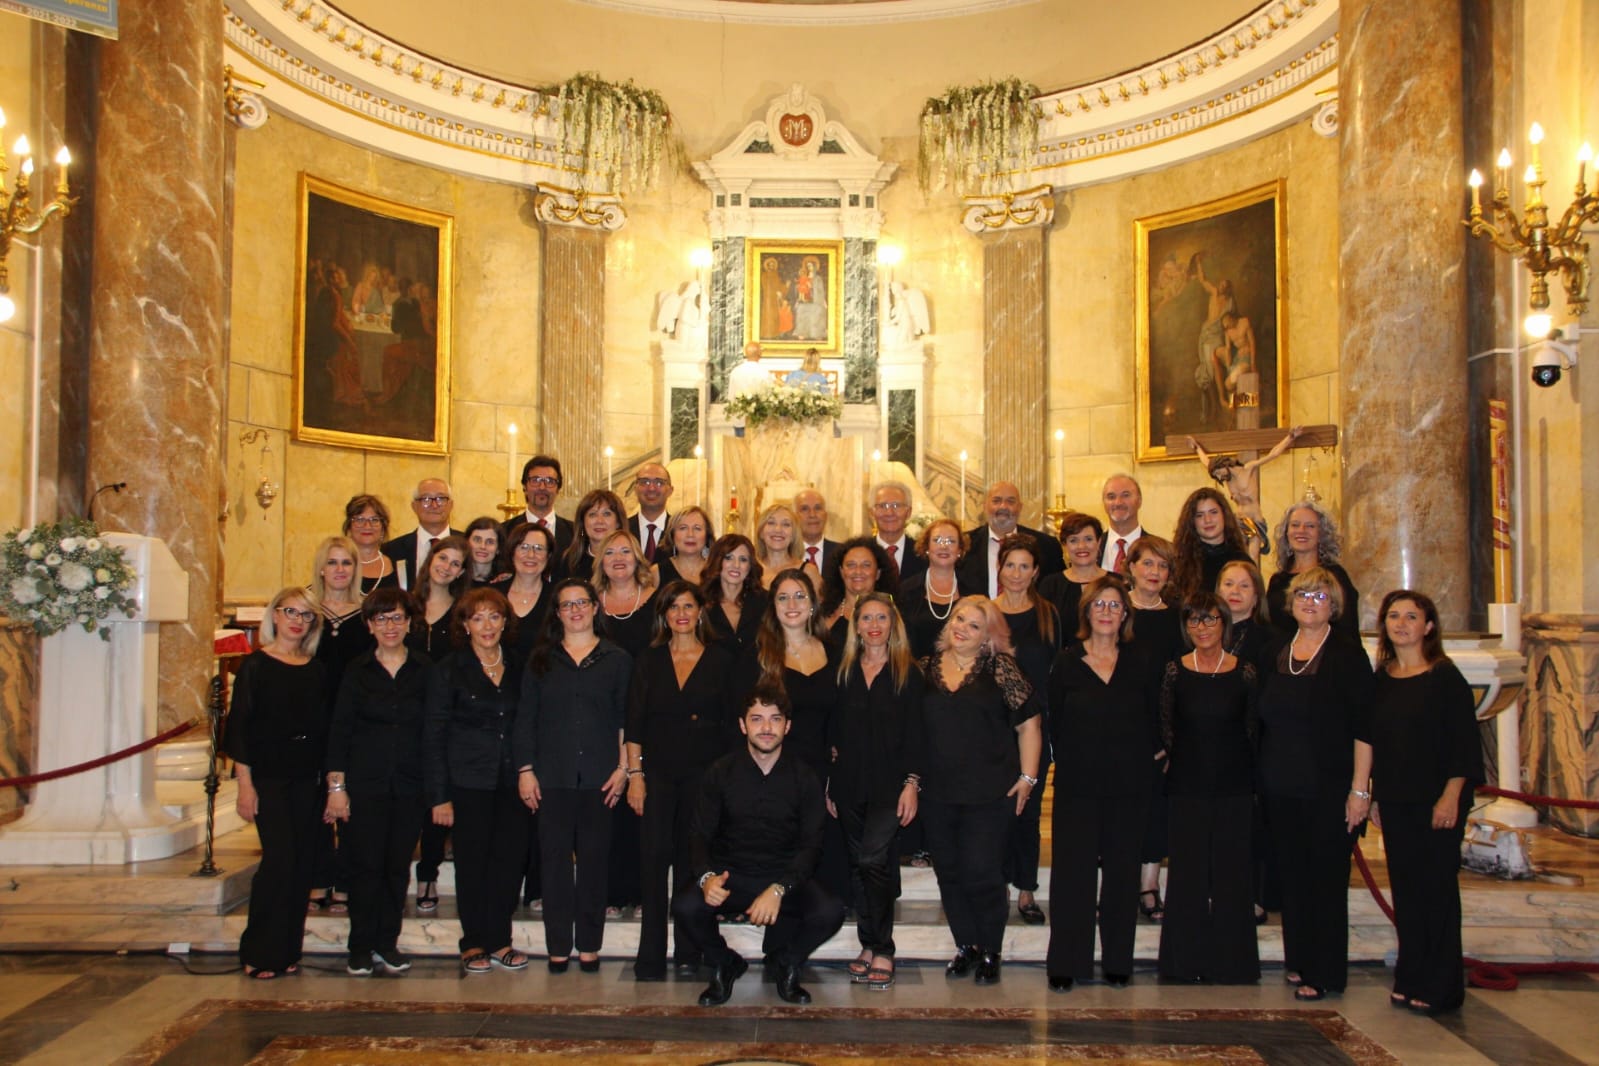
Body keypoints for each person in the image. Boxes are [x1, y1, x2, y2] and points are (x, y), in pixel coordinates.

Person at [672, 684, 845, 1006]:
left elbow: (812, 846)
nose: (766, 728)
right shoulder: (720, 772)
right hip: (731, 875)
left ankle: (787, 962)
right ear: (742, 725)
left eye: (775, 719)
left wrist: (780, 888)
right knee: (685, 905)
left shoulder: (804, 777)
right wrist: (706, 877)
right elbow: (698, 834)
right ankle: (725, 962)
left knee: (830, 909)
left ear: (787, 726)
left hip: (784, 877)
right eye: (757, 719)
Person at [1255, 567, 1374, 1002]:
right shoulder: (1275, 651)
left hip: (1329, 788)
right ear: (1291, 601)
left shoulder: (1347, 656)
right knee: (1293, 878)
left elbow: (1365, 728)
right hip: (1281, 786)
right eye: (1303, 594)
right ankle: (1299, 959)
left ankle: (1325, 971)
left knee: (1324, 880)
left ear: (1334, 607)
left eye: (1320, 597)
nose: (1310, 601)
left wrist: (1360, 790)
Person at [1369, 589, 1482, 1015]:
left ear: (1428, 626)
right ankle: (1410, 975)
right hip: (1397, 800)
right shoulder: (1383, 677)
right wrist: (1377, 794)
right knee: (1408, 892)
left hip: (1437, 800)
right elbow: (1379, 742)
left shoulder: (1444, 677)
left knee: (1436, 892)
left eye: (1411, 616)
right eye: (1394, 616)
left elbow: (1463, 746)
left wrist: (1451, 796)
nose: (1401, 623)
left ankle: (1441, 985)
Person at [920, 596, 1043, 986]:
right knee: (949, 874)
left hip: (990, 794)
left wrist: (1028, 778)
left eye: (974, 625)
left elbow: (1029, 726)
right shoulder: (925, 668)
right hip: (937, 793)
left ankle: (991, 948)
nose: (962, 628)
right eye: (959, 619)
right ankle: (966, 946)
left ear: (988, 636)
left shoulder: (1001, 668)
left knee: (982, 872)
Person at [1045, 575, 1159, 991]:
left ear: (1126, 614)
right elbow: (1054, 720)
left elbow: (1155, 719)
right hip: (1078, 785)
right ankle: (1066, 961)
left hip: (1130, 786)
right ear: (1086, 612)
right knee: (1071, 876)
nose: (1107, 612)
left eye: (1115, 606)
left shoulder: (1141, 660)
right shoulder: (1066, 662)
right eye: (1100, 605)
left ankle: (1117, 961)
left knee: (1122, 875)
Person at [516, 578, 631, 973]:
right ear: (558, 613)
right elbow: (526, 720)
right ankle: (558, 946)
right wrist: (526, 770)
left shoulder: (617, 658)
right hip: (552, 777)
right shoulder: (541, 659)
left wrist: (623, 769)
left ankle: (589, 945)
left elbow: (624, 721)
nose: (576, 611)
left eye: (582, 603)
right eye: (567, 605)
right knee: (554, 864)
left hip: (601, 777)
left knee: (596, 863)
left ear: (595, 607)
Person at [624, 581, 738, 981]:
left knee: (696, 864)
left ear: (700, 611)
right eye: (673, 607)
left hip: (705, 778)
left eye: (688, 606)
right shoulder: (649, 660)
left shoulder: (722, 660)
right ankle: (651, 957)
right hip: (656, 776)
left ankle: (692, 951)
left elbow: (731, 727)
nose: (681, 614)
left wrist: (726, 783)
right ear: (664, 615)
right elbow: (633, 724)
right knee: (653, 863)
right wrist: (634, 776)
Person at [323, 587, 431, 977]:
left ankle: (387, 941)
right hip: (365, 785)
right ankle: (360, 945)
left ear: (408, 623)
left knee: (396, 867)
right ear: (369, 625)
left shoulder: (424, 668)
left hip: (409, 784)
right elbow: (340, 732)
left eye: (397, 618)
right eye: (382, 619)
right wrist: (337, 789)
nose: (390, 625)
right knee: (365, 867)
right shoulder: (357, 670)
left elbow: (433, 731)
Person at [422, 587, 530, 975]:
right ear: (465, 624)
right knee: (472, 863)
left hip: (512, 781)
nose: (487, 625)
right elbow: (433, 735)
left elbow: (528, 723)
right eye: (478, 617)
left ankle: (500, 940)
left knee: (508, 862)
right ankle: (473, 943)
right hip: (467, 782)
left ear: (505, 622)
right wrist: (439, 796)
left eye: (495, 616)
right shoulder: (449, 669)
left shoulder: (519, 665)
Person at [1156, 592, 1260, 985]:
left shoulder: (1245, 671)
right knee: (1187, 876)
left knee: (1233, 875)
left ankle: (1234, 966)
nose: (1202, 628)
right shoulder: (1174, 671)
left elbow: (1251, 729)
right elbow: (1167, 726)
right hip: (1187, 785)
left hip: (1234, 785)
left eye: (1210, 619)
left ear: (1224, 624)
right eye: (1194, 621)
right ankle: (1184, 965)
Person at [226, 586, 328, 980]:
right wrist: (245, 785)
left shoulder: (314, 668)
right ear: (275, 616)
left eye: (306, 615)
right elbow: (240, 730)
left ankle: (287, 950)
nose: (298, 621)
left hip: (307, 776)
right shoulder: (257, 666)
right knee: (278, 862)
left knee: (302, 864)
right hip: (269, 777)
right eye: (291, 612)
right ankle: (258, 950)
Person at [830, 593, 924, 990]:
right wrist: (830, 784)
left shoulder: (908, 672)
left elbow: (921, 734)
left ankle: (884, 948)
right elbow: (834, 733)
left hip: (891, 785)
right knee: (857, 865)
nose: (873, 624)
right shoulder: (844, 670)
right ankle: (869, 945)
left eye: (881, 617)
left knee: (873, 860)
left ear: (893, 624)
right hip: (849, 782)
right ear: (855, 626)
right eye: (865, 617)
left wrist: (912, 784)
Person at [992, 534, 1061, 926]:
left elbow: (1057, 672)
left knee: (1029, 810)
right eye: (1010, 565)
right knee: (1000, 810)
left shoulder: (1048, 614)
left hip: (1037, 726)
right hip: (996, 728)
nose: (1016, 574)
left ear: (1035, 571)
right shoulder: (986, 611)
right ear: (999, 569)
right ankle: (999, 884)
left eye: (1024, 566)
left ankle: (1027, 890)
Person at [306, 535, 372, 915]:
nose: (340, 570)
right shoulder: (306, 611)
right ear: (321, 568)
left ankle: (345, 881)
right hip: (312, 717)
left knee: (351, 805)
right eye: (332, 563)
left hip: (354, 721)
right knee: (315, 802)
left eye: (346, 563)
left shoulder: (365, 615)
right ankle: (317, 878)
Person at [1124, 534, 1182, 921]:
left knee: (1155, 812)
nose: (1154, 572)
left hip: (1160, 730)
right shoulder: (1113, 609)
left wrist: (1169, 737)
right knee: (1118, 813)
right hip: (1116, 728)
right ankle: (1118, 885)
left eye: (1162, 566)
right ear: (1130, 566)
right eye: (1147, 563)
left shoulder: (1176, 618)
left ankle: (1149, 886)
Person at [1186, 427, 1301, 561]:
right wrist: (1196, 447)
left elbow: (1272, 455)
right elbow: (1207, 462)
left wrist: (1290, 437)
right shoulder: (1227, 478)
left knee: (1252, 558)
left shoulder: (1247, 469)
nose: (1219, 476)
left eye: (1218, 472)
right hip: (1238, 521)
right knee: (1236, 557)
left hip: (1254, 520)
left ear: (1224, 465)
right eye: (1216, 475)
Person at [1265, 500, 1360, 642]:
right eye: (1295, 525)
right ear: (1286, 532)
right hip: (1282, 658)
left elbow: (1347, 627)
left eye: (1310, 526)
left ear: (1321, 534)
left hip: (1326, 657)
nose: (1301, 530)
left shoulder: (1335, 576)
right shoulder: (1278, 581)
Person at [959, 481, 1065, 597]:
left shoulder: (1047, 546)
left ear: (1020, 507)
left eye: (1010, 501)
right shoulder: (964, 544)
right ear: (984, 506)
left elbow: (1058, 592)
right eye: (996, 501)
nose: (1003, 506)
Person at [897, 517, 968, 659]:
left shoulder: (974, 589)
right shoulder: (907, 590)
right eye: (937, 540)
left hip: (963, 674)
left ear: (959, 550)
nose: (944, 546)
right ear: (927, 548)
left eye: (951, 541)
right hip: (917, 674)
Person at [1171, 486, 1249, 603]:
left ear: (1224, 515)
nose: (1208, 520)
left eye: (1213, 512)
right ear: (1192, 522)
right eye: (1200, 515)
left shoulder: (1242, 561)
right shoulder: (1179, 563)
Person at [381, 478, 462, 590]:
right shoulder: (391, 550)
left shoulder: (468, 544)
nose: (434, 505)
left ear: (451, 505)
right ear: (414, 507)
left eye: (440, 499)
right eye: (426, 499)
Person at [819, 537, 898, 641]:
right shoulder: (823, 614)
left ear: (878, 573)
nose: (858, 571)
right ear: (841, 572)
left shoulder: (893, 614)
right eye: (851, 565)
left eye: (866, 565)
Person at [404, 536, 469, 661]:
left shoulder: (463, 611)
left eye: (455, 564)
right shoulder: (406, 604)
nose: (446, 567)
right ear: (431, 558)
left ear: (460, 572)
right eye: (442, 558)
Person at [500, 521, 556, 667]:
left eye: (539, 548)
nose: (531, 555)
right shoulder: (493, 595)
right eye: (523, 547)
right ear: (512, 552)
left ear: (548, 556)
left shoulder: (558, 598)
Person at [1038, 511, 1108, 624]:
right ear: (1065, 545)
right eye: (1073, 540)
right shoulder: (1050, 585)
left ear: (1099, 542)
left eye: (1088, 539)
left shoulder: (1117, 582)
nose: (1081, 546)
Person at [701, 533, 767, 651]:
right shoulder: (699, 601)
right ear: (717, 561)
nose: (736, 565)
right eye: (728, 558)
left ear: (750, 566)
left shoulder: (765, 600)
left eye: (743, 560)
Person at [511, 455, 575, 556]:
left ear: (558, 489)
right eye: (535, 480)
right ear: (524, 487)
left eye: (549, 481)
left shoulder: (575, 533)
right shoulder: (506, 531)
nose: (542, 487)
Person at [1217, 559, 1273, 670]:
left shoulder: (1270, 641)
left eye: (1244, 586)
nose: (1235, 591)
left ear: (1256, 596)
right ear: (1218, 591)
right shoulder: (1201, 630)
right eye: (1228, 584)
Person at [560, 489, 625, 582]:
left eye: (607, 514)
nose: (599, 521)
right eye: (592, 514)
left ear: (618, 522)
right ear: (582, 522)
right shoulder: (570, 560)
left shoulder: (629, 559)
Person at [870, 480, 926, 582]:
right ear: (872, 512)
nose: (889, 513)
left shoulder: (923, 554)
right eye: (882, 506)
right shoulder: (862, 552)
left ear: (908, 512)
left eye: (896, 506)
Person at [343, 494, 397, 592]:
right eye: (359, 519)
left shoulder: (397, 564)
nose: (367, 526)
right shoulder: (337, 565)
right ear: (349, 527)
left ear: (383, 528)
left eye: (374, 520)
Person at [652, 506, 714, 589]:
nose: (690, 534)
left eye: (697, 528)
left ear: (707, 535)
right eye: (683, 528)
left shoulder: (717, 571)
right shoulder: (656, 573)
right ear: (672, 535)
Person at [629, 462, 674, 564]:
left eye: (659, 483)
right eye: (644, 482)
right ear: (635, 489)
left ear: (670, 490)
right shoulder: (622, 529)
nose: (651, 488)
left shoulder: (678, 531)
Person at [1100, 474, 1144, 574]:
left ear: (1139, 501)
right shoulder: (1091, 548)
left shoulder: (1160, 551)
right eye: (1111, 497)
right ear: (1104, 503)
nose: (1118, 503)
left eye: (1126, 495)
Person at [753, 503, 805, 588]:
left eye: (786, 524)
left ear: (794, 535)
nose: (778, 529)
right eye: (771, 523)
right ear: (761, 532)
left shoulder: (808, 571)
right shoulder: (749, 570)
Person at [794, 488, 840, 574]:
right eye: (804, 509)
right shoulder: (787, 554)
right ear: (794, 517)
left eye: (818, 508)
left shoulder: (842, 553)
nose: (812, 515)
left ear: (825, 516)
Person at [463, 517, 509, 586]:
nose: (483, 546)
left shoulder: (505, 582)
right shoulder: (455, 579)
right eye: (477, 540)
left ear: (498, 548)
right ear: (467, 542)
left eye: (490, 542)